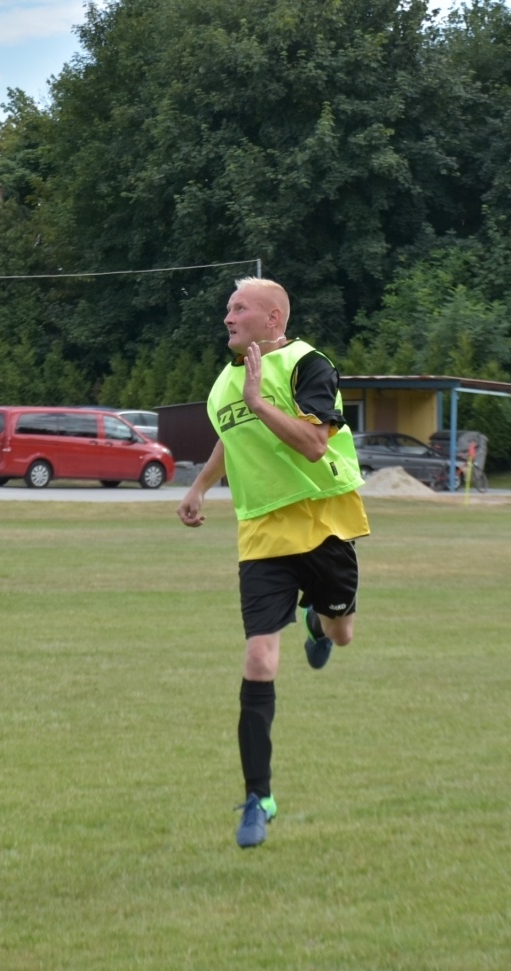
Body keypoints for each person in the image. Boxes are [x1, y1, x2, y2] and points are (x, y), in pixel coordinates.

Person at [177, 278, 369, 848]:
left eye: (240, 308)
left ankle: (319, 620)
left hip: (323, 524)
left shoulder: (310, 365)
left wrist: (261, 403)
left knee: (343, 632)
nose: (227, 316)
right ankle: (257, 797)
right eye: (227, 308)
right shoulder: (225, 384)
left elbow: (314, 444)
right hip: (261, 533)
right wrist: (199, 488)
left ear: (272, 316)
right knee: (260, 658)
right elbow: (229, 439)